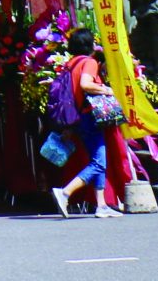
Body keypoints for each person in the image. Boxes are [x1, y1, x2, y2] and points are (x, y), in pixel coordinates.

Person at [50, 27, 120, 217]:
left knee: (98, 159)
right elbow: (85, 84)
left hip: (77, 117)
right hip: (89, 116)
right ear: (90, 45)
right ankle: (65, 193)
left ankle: (102, 205)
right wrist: (106, 90)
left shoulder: (71, 63)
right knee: (99, 162)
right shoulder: (89, 62)